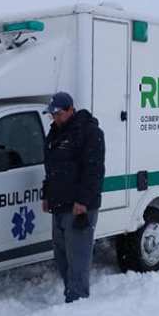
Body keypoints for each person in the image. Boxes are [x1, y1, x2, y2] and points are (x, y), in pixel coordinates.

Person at [41, 91, 105, 303]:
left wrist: (83, 202)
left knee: (78, 257)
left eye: (58, 114)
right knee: (61, 255)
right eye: (52, 115)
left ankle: (77, 302)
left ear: (70, 109)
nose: (54, 118)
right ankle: (72, 292)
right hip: (59, 204)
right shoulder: (55, 133)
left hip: (78, 206)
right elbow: (51, 168)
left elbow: (93, 171)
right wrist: (46, 194)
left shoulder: (89, 132)